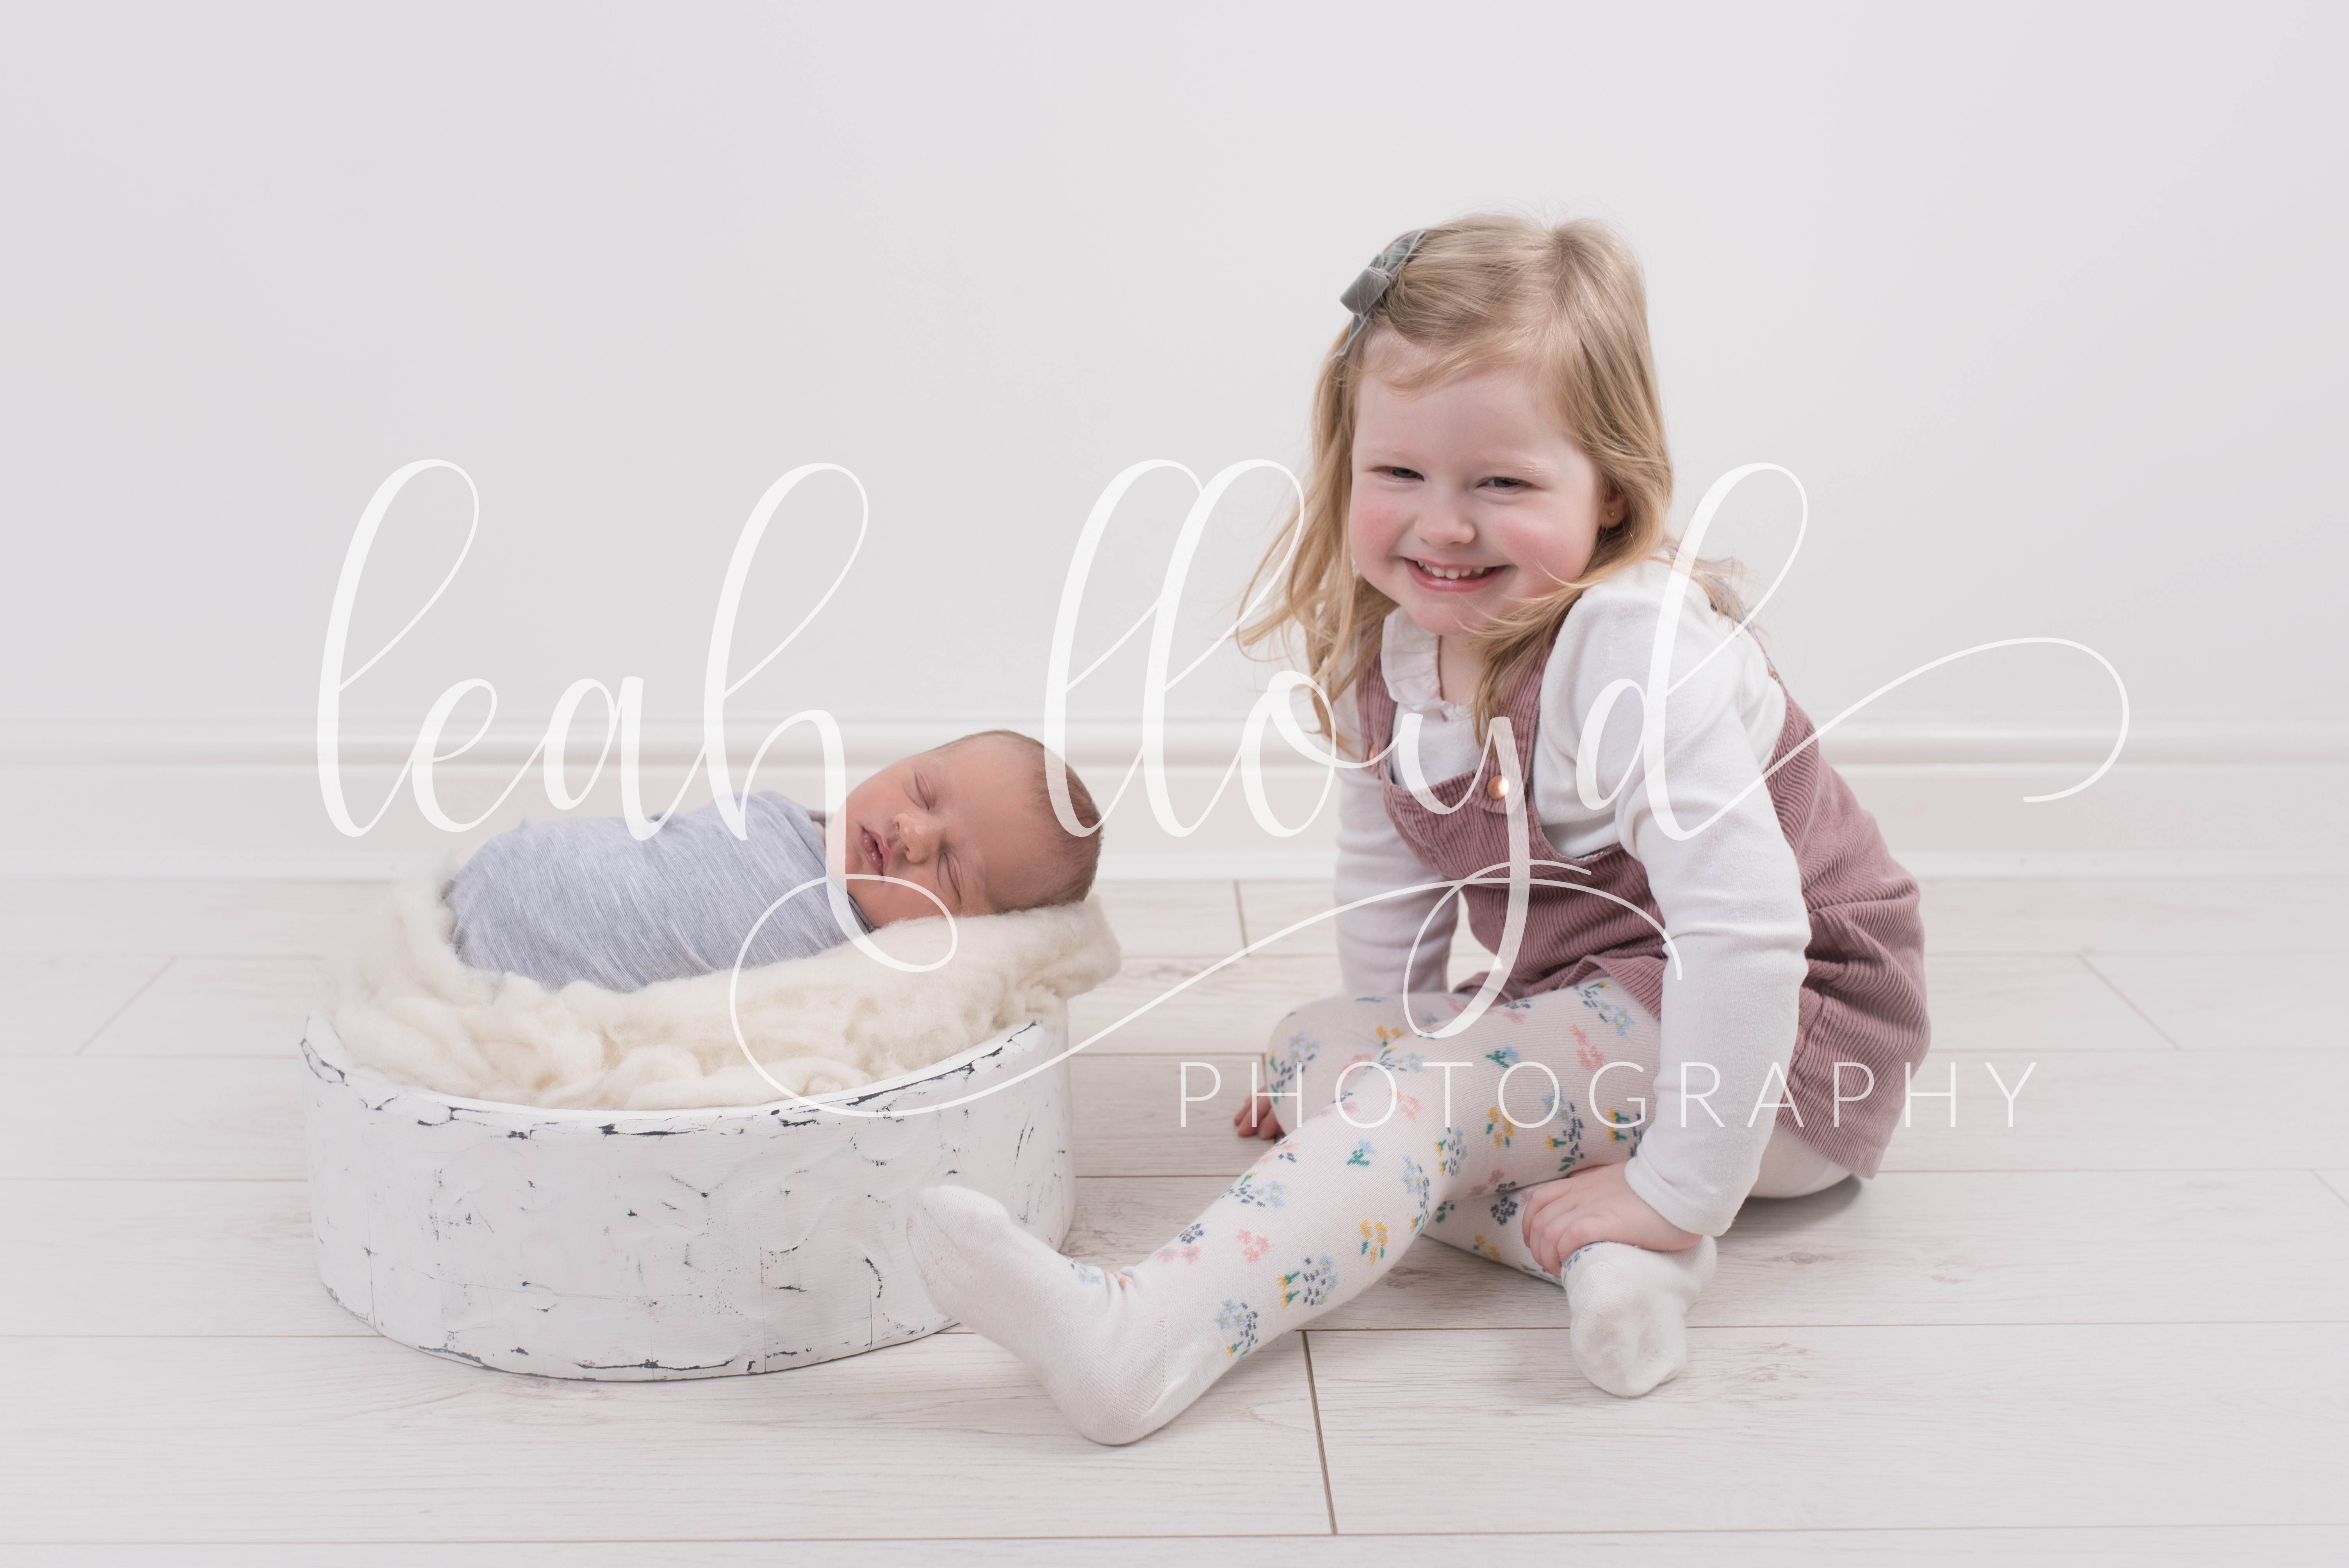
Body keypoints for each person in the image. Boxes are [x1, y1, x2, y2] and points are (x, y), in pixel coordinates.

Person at [907, 215, 1928, 1444]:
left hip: (1786, 1051)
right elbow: (1390, 892)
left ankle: (1144, 1336)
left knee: (1416, 1104)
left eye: (1503, 484)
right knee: (1312, 1048)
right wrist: (1377, 1061)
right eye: (1400, 475)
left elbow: (1747, 937)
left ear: (1610, 491)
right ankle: (1598, 1257)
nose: (1444, 525)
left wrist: (1678, 1190)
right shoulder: (1390, 657)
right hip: (1609, 1013)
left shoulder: (1632, 649)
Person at [449, 729, 1101, 992]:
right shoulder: (791, 821)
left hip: (515, 970)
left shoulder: (852, 966)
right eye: (923, 791)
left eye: (952, 871)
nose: (914, 834)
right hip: (512, 872)